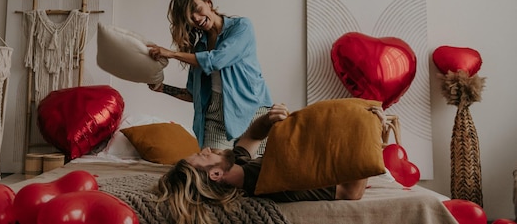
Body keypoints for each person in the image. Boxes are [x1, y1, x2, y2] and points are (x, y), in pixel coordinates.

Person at [154, 104, 368, 224]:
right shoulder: (271, 180)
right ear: (216, 174)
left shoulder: (236, 167)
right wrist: (366, 136)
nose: (206, 149)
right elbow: (351, 192)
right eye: (203, 157)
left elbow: (253, 136)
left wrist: (268, 119)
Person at [147, 0, 273, 152]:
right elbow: (193, 94)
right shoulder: (199, 48)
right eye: (190, 18)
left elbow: (217, 60)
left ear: (209, 3)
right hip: (215, 116)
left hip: (252, 111)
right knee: (212, 171)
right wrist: (162, 88)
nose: (197, 19)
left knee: (252, 172)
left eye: (197, 10)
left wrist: (172, 54)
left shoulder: (241, 27)